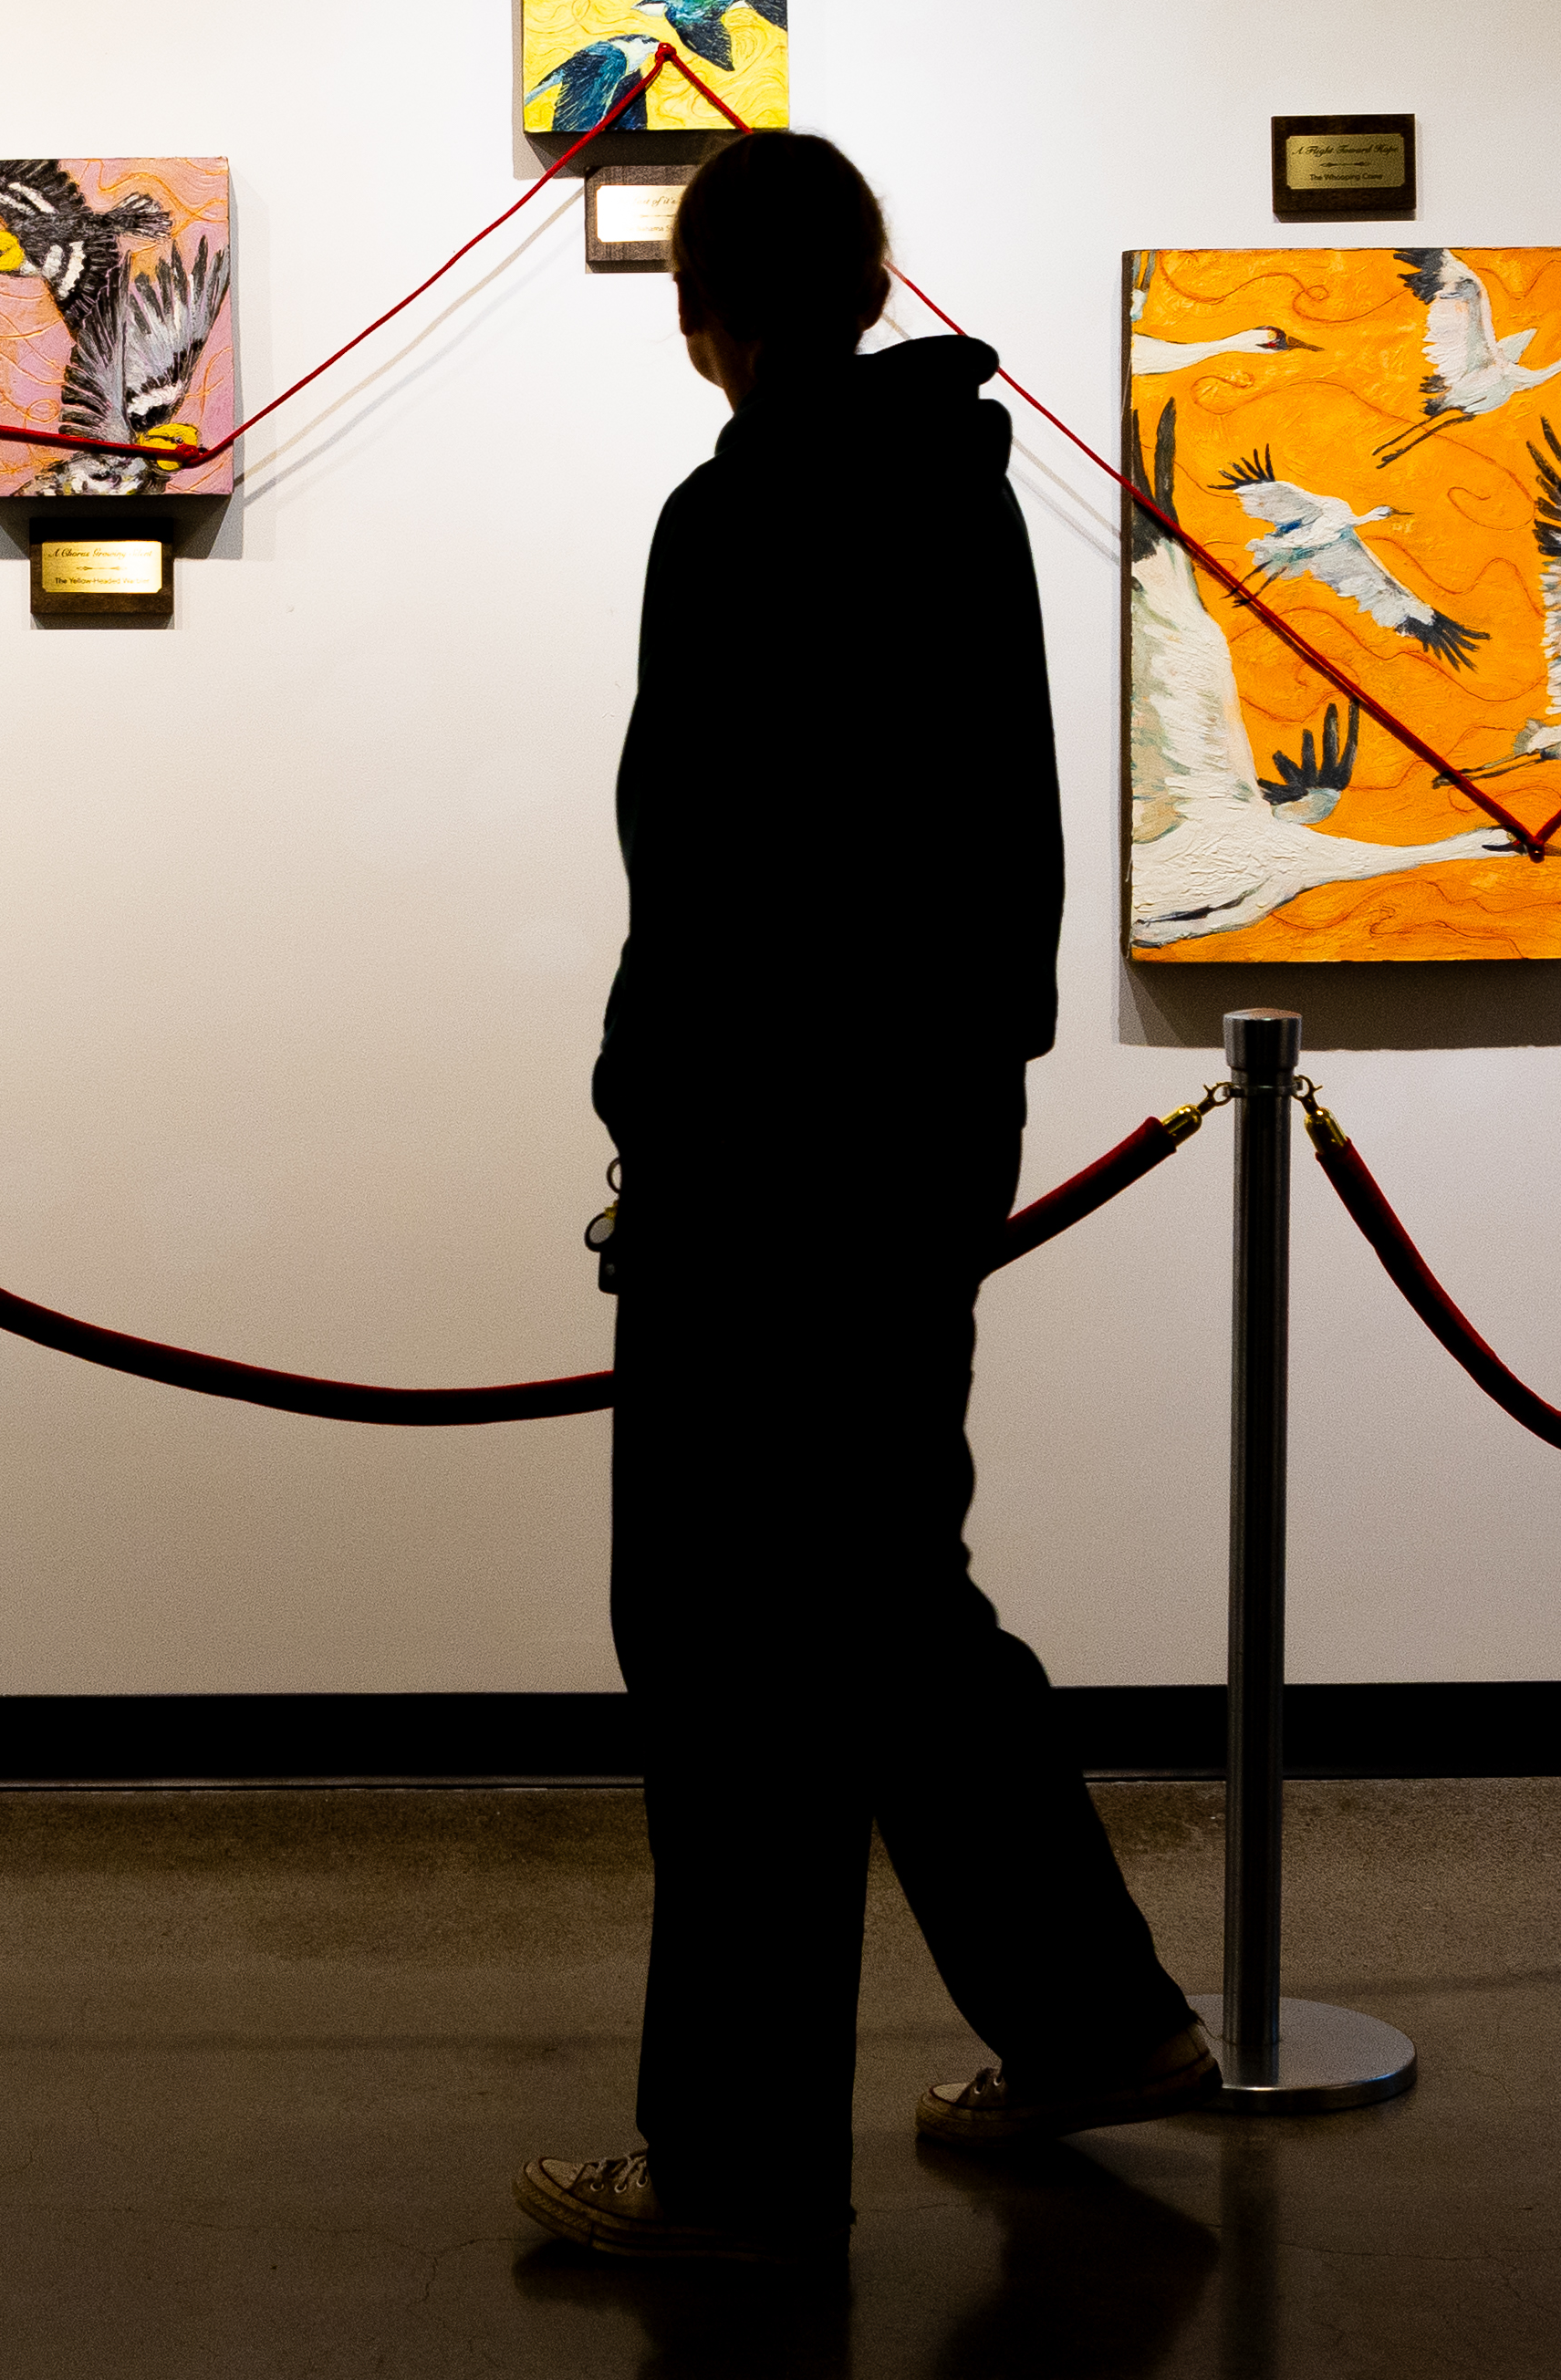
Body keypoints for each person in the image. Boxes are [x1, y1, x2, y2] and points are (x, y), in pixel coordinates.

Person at [516, 130, 1212, 2269]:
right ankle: (1096, 2021)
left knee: (729, 1650)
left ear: (699, 314)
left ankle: (735, 2171)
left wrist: (658, 1115)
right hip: (923, 1142)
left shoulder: (735, 517)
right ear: (880, 277)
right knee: (893, 1596)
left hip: (764, 1169)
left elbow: (702, 876)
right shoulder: (960, 490)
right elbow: (994, 863)